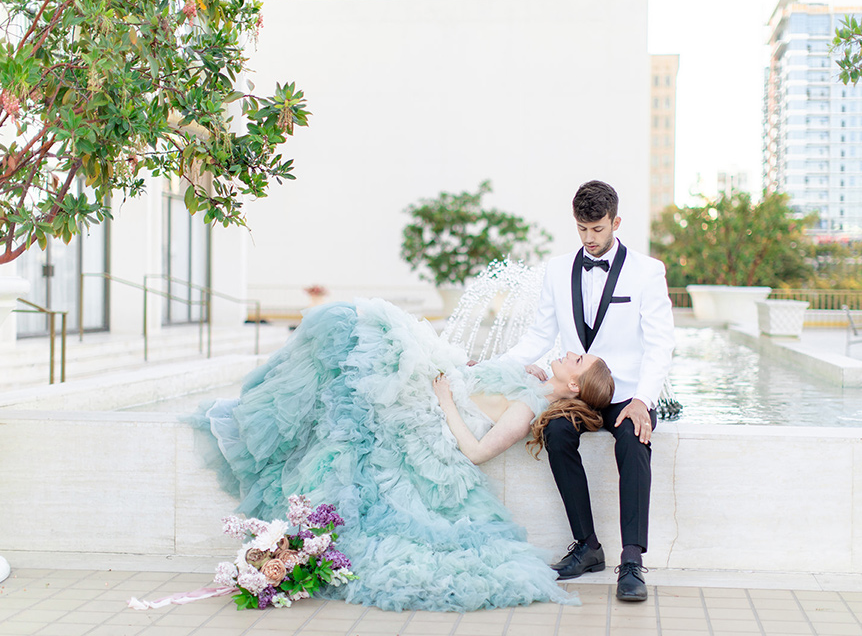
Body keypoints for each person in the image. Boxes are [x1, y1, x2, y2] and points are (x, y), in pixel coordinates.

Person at [187, 297, 615, 613]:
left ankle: (256, 424)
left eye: (577, 359)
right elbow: (483, 383)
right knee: (353, 332)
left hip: (429, 418)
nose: (569, 352)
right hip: (436, 389)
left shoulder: (527, 410)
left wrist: (445, 397)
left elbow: (478, 451)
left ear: (574, 385)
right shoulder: (533, 379)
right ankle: (260, 418)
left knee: (354, 343)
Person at [501, 180, 675, 602]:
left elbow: (660, 343)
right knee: (556, 433)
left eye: (597, 229)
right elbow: (539, 334)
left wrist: (642, 401)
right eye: (581, 229)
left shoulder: (647, 271)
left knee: (634, 442)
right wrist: (495, 366)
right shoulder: (557, 269)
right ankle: (587, 546)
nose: (589, 238)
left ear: (615, 222)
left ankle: (631, 560)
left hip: (628, 391)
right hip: (579, 392)